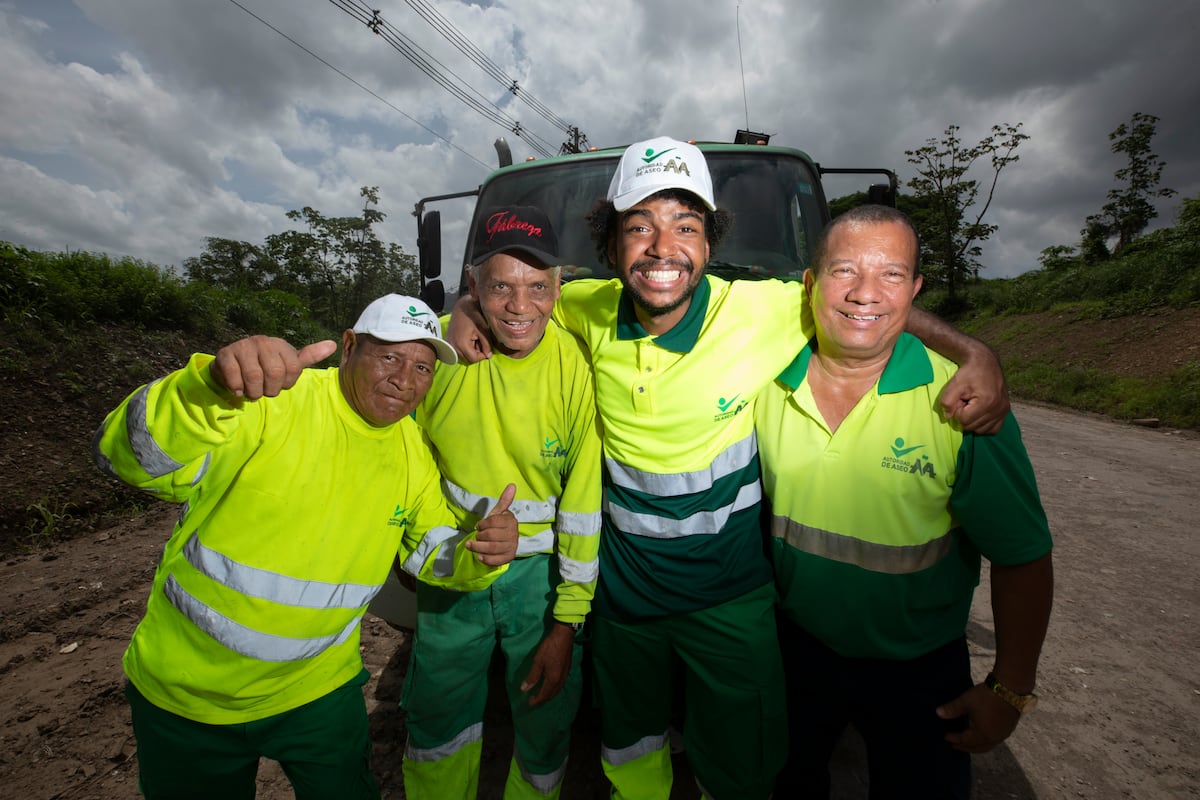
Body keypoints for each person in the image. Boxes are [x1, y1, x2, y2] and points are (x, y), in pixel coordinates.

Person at [448, 137, 1010, 799]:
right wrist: (462, 310)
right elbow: (515, 298)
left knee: (741, 763)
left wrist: (971, 348)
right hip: (625, 606)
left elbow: (865, 302)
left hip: (732, 602)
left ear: (710, 243)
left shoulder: (761, 309)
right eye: (639, 228)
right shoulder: (586, 309)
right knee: (630, 751)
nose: (662, 248)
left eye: (686, 226)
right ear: (609, 249)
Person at [91, 294, 520, 800]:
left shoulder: (412, 454)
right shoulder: (268, 403)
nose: (405, 381)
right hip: (188, 695)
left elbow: (429, 551)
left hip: (318, 691)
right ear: (349, 347)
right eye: (389, 357)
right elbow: (125, 459)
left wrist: (480, 553)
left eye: (422, 367)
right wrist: (203, 391)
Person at [755, 205, 1054, 798]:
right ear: (810, 284)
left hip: (920, 669)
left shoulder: (961, 401)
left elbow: (1022, 555)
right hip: (796, 652)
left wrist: (1009, 689)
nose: (865, 292)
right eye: (844, 271)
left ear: (915, 291)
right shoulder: (763, 381)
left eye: (892, 275)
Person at [401, 206, 603, 799]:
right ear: (472, 285)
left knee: (545, 716)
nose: (520, 307)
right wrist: (428, 552)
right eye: (500, 287)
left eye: (538, 286)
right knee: (438, 721)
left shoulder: (578, 367)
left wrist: (566, 622)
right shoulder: (434, 356)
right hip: (450, 575)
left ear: (560, 288)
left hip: (538, 586)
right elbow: (398, 465)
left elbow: (584, 508)